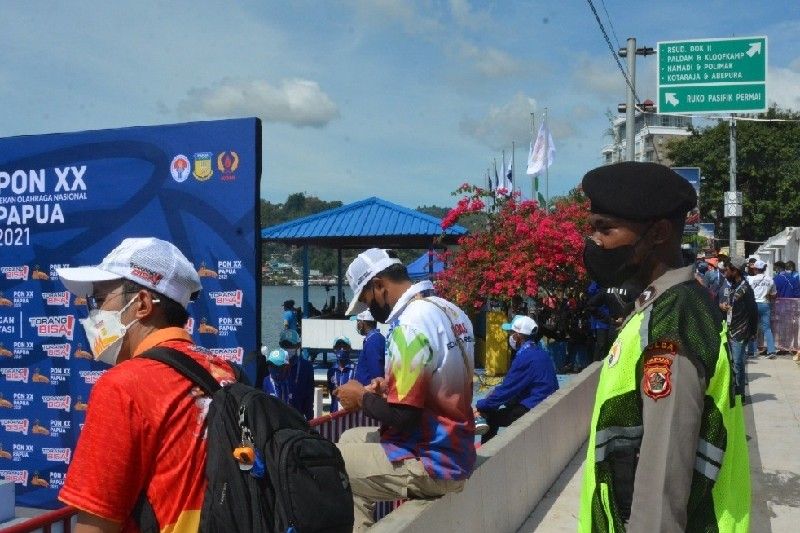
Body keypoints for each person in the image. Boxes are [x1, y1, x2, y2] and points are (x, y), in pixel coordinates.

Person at [578, 162, 750, 532]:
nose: (593, 242)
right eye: (591, 228)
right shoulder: (658, 309)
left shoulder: (673, 322)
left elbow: (661, 491)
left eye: (605, 228)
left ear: (657, 233)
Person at [55, 237, 236, 532]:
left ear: (141, 304)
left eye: (99, 301)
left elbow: (95, 526)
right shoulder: (226, 372)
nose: (93, 315)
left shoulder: (123, 386)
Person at [332, 248, 475, 532]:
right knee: (350, 439)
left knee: (325, 461)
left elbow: (403, 418)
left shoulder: (409, 326)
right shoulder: (449, 311)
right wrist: (388, 387)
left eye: (367, 301)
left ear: (379, 286)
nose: (370, 310)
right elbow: (438, 378)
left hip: (431, 462)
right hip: (457, 449)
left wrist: (361, 397)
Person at [474, 315, 558, 443]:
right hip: (544, 401)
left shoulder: (524, 358)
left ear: (518, 336)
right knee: (498, 403)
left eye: (511, 333)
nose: (509, 336)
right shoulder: (539, 352)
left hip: (534, 406)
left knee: (490, 416)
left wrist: (480, 405)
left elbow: (506, 390)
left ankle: (488, 455)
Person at [720, 256, 758, 397]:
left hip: (740, 332)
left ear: (735, 271)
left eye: (727, 270)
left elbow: (753, 311)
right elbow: (734, 306)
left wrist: (753, 332)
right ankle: (735, 391)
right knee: (732, 363)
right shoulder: (735, 287)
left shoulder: (746, 289)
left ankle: (739, 394)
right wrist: (724, 307)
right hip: (731, 329)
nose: (725, 273)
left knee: (738, 364)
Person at [274, 329, 315, 419]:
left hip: (298, 418)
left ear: (298, 346)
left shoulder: (306, 367)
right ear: (280, 345)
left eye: (291, 345)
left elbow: (309, 396)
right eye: (285, 345)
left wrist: (310, 420)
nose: (288, 348)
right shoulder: (274, 365)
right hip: (278, 418)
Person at [747, 259, 777, 358]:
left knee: (752, 328)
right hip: (765, 304)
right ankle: (771, 351)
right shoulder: (770, 280)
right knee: (767, 328)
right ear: (763, 269)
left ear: (755, 269)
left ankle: (752, 351)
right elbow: (774, 294)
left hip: (753, 305)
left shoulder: (750, 279)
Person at [351, 309, 386, 385]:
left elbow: (376, 371)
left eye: (357, 322)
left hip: (370, 392)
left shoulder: (374, 340)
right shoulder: (372, 339)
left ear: (362, 323)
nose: (357, 325)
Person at [326, 336, 356, 412]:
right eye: (338, 347)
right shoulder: (331, 371)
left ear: (350, 349)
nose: (341, 349)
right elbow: (331, 392)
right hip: (335, 412)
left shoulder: (356, 370)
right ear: (334, 349)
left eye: (344, 347)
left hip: (350, 412)